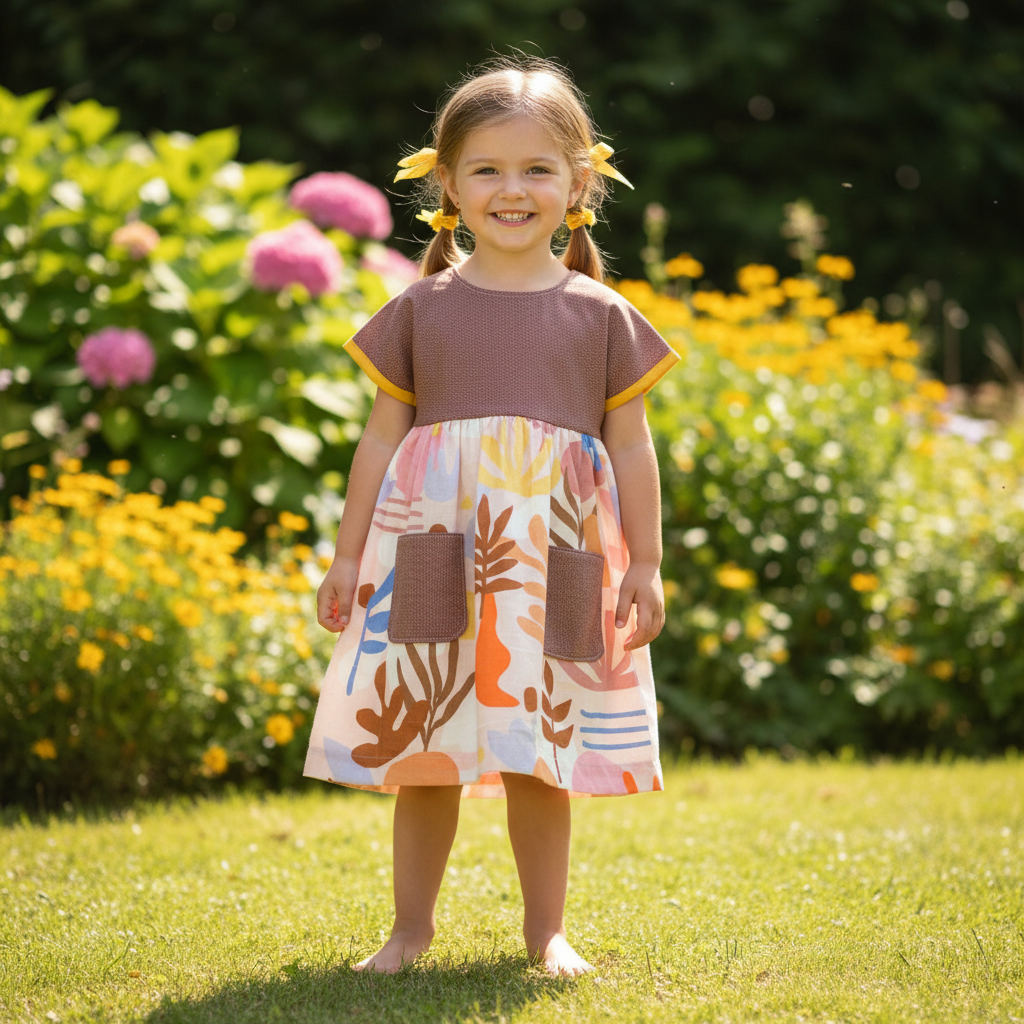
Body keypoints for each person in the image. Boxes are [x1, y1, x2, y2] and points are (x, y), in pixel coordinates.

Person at [303, 56, 678, 976]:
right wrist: (348, 559)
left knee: (538, 751)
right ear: (447, 185)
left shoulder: (601, 315)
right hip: (434, 551)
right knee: (426, 746)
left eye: (538, 169)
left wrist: (647, 564)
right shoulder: (422, 308)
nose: (513, 190)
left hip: (553, 556)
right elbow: (377, 444)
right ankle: (408, 931)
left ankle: (546, 933)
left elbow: (632, 448)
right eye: (487, 170)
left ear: (580, 182)